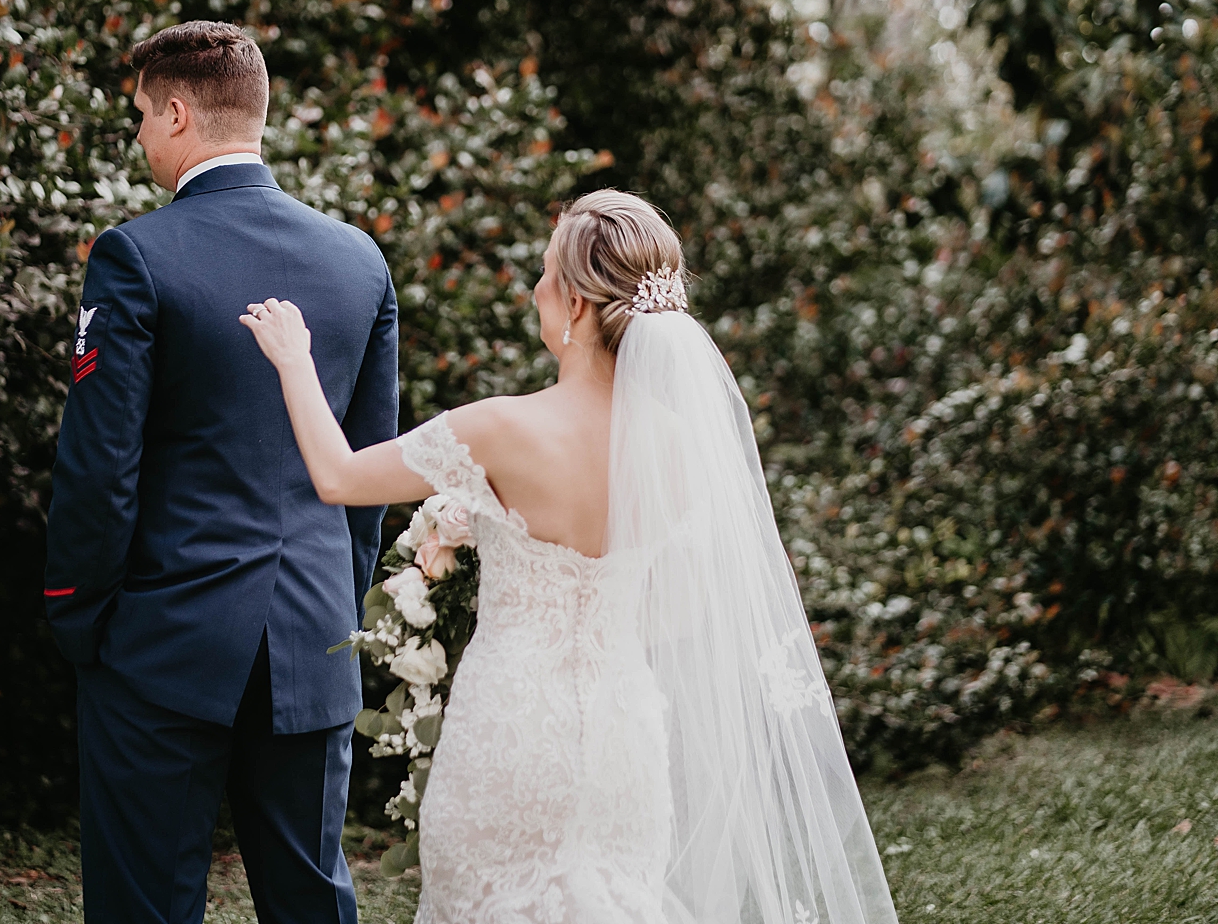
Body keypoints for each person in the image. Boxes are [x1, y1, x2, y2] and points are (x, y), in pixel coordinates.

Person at [241, 190, 900, 924]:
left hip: (509, 734)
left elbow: (337, 476)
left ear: (579, 307)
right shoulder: (684, 448)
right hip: (625, 741)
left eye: (548, 274)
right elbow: (681, 608)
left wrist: (294, 360)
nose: (535, 290)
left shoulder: (500, 428)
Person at [44, 20, 399, 924]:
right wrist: (336, 608)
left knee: (146, 907)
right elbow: (365, 475)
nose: (136, 138)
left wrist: (81, 616)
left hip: (163, 639)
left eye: (138, 118)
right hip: (315, 634)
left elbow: (100, 466)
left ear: (175, 113)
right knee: (310, 904)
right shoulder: (359, 261)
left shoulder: (135, 255)